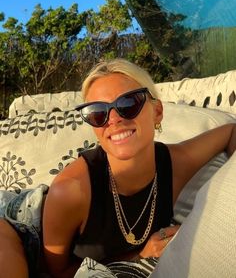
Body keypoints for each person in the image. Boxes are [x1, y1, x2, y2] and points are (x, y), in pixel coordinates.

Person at [0, 58, 235, 278]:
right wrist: (139, 255)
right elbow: (52, 273)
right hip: (16, 229)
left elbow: (230, 132)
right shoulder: (71, 189)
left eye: (129, 103)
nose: (114, 119)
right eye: (98, 113)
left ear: (157, 111)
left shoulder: (178, 162)